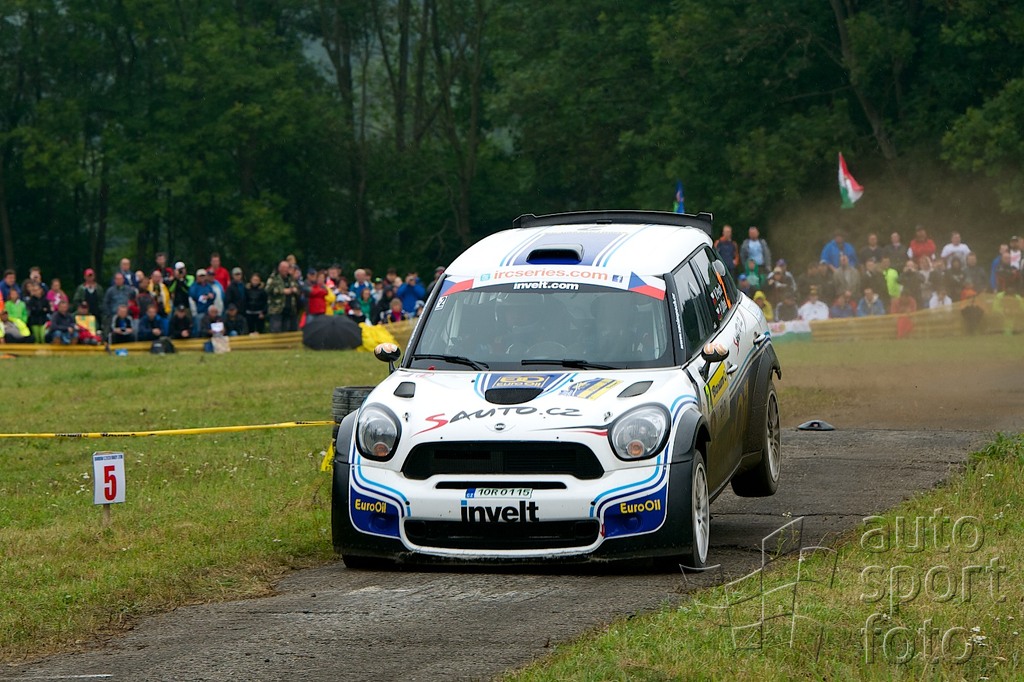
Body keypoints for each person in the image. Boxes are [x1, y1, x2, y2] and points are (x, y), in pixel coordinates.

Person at [266, 260, 301, 332]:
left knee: (289, 331)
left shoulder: (291, 279)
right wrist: (282, 291)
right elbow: (267, 289)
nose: (285, 270)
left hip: (290, 310)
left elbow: (298, 290)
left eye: (287, 268)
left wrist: (295, 290)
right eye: (283, 268)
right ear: (279, 268)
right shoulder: (273, 278)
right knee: (276, 331)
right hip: (277, 310)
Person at [189, 268, 221, 334]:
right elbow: (192, 295)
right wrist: (203, 296)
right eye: (200, 276)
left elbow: (214, 294)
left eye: (203, 276)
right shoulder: (194, 286)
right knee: (199, 328)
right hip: (199, 311)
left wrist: (211, 295)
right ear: (197, 277)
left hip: (209, 312)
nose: (202, 278)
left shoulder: (208, 286)